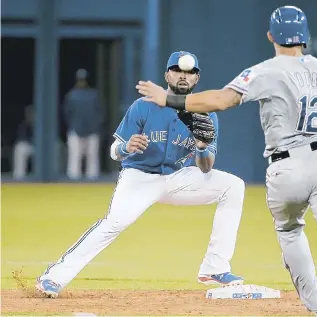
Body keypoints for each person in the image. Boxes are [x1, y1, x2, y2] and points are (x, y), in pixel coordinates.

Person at [137, 7, 317, 317]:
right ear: (306, 37)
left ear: (271, 36)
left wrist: (170, 99)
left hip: (286, 164)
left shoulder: (266, 70)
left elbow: (220, 101)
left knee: (290, 232)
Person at [35, 51, 245, 299]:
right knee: (114, 223)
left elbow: (206, 167)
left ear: (197, 79)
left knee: (233, 186)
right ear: (167, 74)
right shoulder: (143, 106)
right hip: (140, 177)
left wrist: (201, 147)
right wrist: (126, 147)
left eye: (189, 72)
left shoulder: (207, 114)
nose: (183, 76)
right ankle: (53, 278)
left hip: (179, 177)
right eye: (177, 70)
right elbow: (115, 150)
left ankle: (215, 268)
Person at [63, 68, 103, 180]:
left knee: (92, 160)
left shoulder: (93, 95)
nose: (82, 81)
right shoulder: (71, 95)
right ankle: (73, 183)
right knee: (75, 159)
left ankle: (93, 183)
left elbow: (100, 112)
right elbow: (67, 114)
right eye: (80, 79)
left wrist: (96, 125)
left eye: (83, 79)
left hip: (91, 130)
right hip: (76, 130)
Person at [13, 104, 34, 179]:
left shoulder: (43, 125)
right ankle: (19, 176)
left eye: (33, 113)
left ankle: (58, 174)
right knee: (20, 148)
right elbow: (22, 139)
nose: (31, 115)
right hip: (30, 147)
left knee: (57, 146)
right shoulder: (24, 125)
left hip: (43, 148)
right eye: (29, 113)